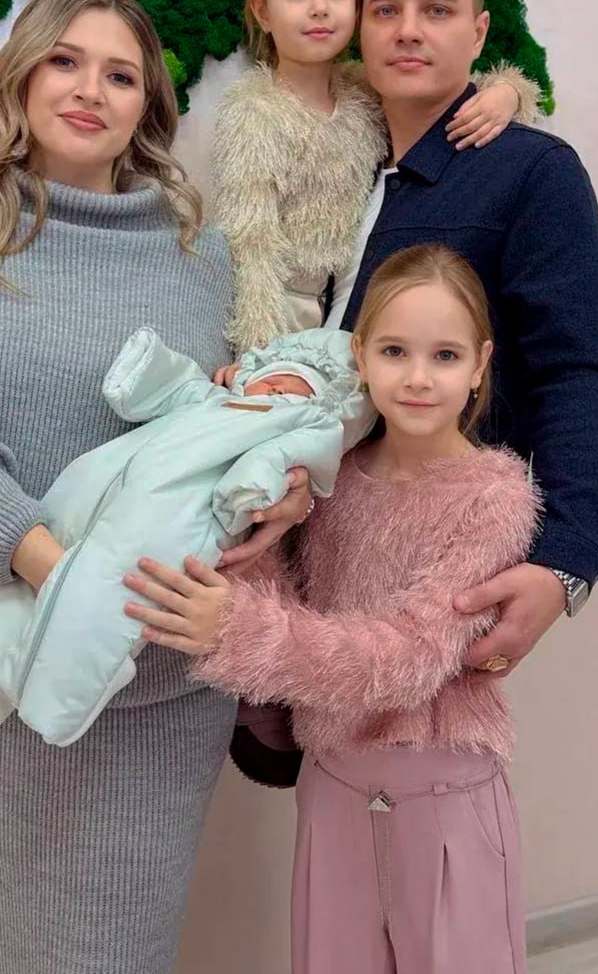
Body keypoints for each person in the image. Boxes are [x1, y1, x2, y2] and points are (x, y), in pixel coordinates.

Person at [0, 0, 310, 974]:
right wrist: (60, 577)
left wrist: (281, 492)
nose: (88, 89)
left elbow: (234, 427)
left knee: (125, 944)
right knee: (14, 943)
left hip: (164, 666)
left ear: (147, 105)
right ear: (21, 76)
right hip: (1, 660)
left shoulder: (203, 257)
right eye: (65, 60)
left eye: (119, 74)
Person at [125, 244, 541, 973]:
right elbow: (279, 590)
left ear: (479, 365)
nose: (417, 377)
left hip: (442, 789)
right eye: (394, 351)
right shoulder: (328, 475)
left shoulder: (493, 496)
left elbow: (408, 659)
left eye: (444, 356)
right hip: (333, 782)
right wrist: (249, 430)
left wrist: (236, 629)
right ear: (360, 356)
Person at [329, 0, 598, 672]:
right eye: (385, 9)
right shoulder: (337, 171)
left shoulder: (532, 172)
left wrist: (565, 562)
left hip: (437, 570)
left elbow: (574, 370)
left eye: (437, 9)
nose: (407, 29)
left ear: (479, 32)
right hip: (322, 537)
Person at [0, 326, 374, 745]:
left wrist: (254, 486)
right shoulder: (213, 398)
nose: (276, 390)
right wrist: (144, 366)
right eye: (272, 378)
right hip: (86, 488)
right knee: (22, 587)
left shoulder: (297, 422)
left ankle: (56, 703)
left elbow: (284, 458)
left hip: (170, 515)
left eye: (294, 386)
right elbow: (172, 387)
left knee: (109, 605)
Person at [212, 0, 540, 353]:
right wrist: (257, 359)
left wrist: (507, 93)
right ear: (262, 10)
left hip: (356, 309)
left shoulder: (366, 93)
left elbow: (452, 96)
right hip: (279, 319)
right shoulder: (255, 114)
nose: (319, 9)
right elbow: (249, 247)